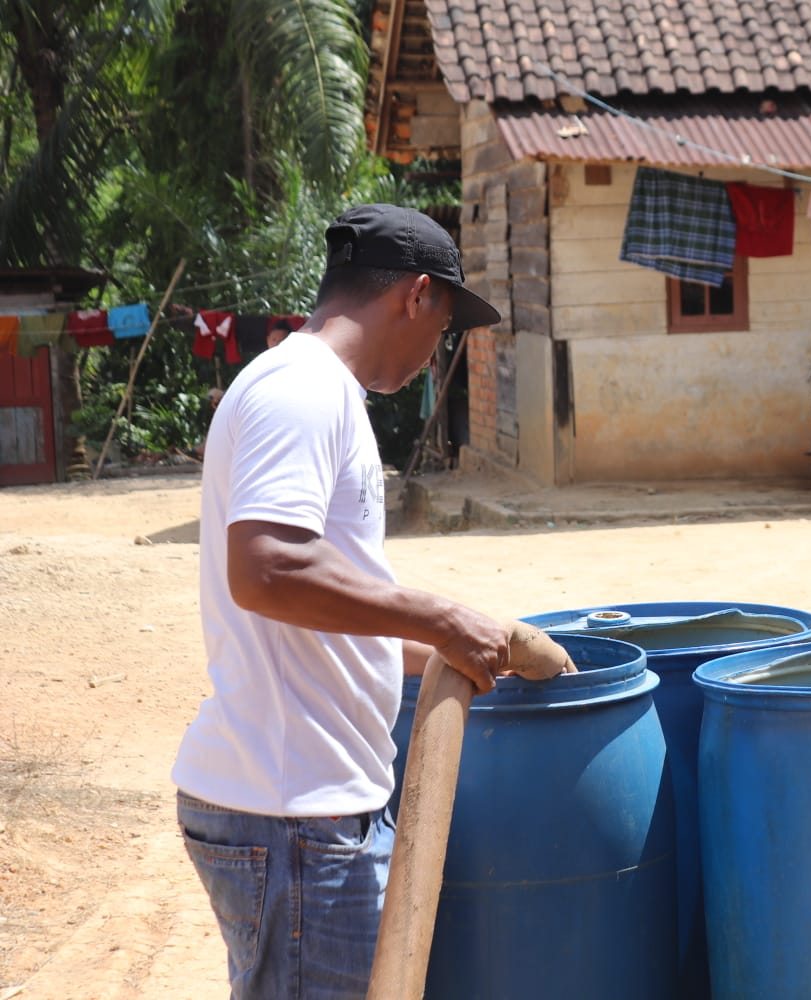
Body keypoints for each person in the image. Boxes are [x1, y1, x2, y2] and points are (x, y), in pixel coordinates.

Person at [172, 203, 576, 998]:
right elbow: (265, 571)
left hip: (306, 806)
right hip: (293, 813)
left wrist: (454, 655)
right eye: (446, 327)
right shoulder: (304, 390)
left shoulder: (318, 391)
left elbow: (327, 617)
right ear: (416, 295)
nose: (437, 352)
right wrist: (437, 614)